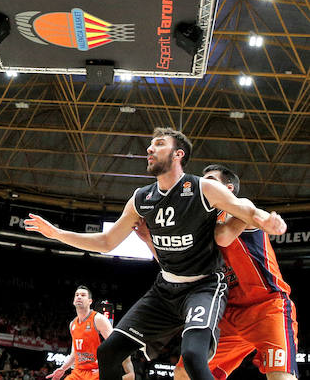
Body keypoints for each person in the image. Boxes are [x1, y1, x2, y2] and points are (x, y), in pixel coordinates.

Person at [24, 128, 287, 380]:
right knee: (108, 351)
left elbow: (248, 210)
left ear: (178, 154)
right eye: (151, 144)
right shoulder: (142, 197)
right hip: (166, 288)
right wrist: (58, 234)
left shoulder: (203, 191)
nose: (150, 148)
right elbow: (106, 242)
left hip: (207, 288)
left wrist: (269, 220)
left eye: (159, 143)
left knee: (194, 356)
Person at [168, 165, 298, 380]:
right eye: (202, 180)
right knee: (183, 372)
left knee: (280, 376)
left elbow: (233, 227)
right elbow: (177, 268)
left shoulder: (240, 207)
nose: (204, 184)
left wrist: (269, 221)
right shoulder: (199, 226)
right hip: (228, 313)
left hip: (266, 307)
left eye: (210, 179)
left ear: (228, 189)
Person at [47, 287, 134, 380]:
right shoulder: (72, 324)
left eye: (83, 295)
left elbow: (116, 346)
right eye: (77, 295)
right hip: (78, 372)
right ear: (73, 301)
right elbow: (75, 353)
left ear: (90, 301)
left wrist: (106, 368)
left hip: (95, 372)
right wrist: (62, 369)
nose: (79, 297)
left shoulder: (98, 319)